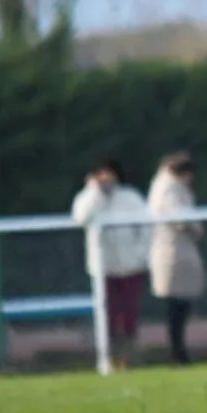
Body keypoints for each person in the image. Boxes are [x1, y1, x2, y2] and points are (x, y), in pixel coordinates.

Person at [71, 158, 151, 371]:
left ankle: (128, 358)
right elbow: (80, 217)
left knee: (129, 315)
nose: (106, 178)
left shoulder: (131, 198)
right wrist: (94, 191)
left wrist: (140, 255)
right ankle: (108, 359)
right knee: (107, 315)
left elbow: (146, 229)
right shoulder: (87, 198)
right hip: (103, 269)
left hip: (131, 267)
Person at [147, 151, 207, 365]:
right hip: (173, 252)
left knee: (181, 306)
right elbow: (181, 218)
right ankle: (177, 352)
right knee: (176, 307)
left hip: (179, 251)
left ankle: (179, 351)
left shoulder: (168, 186)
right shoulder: (169, 189)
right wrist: (196, 228)